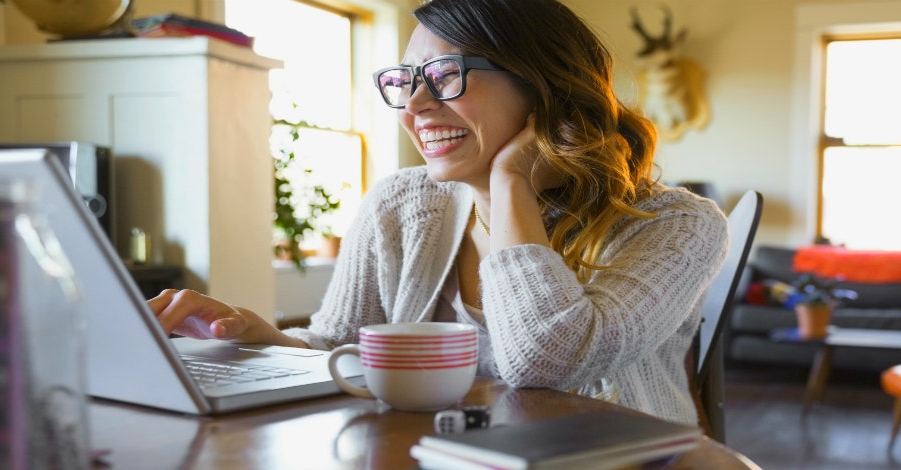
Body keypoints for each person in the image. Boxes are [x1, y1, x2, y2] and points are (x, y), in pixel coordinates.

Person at [148, 0, 728, 426]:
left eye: (446, 76)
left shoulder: (674, 225)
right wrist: (262, 336)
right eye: (405, 81)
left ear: (545, 88)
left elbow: (548, 362)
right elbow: (340, 347)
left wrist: (511, 182)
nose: (416, 106)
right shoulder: (401, 205)